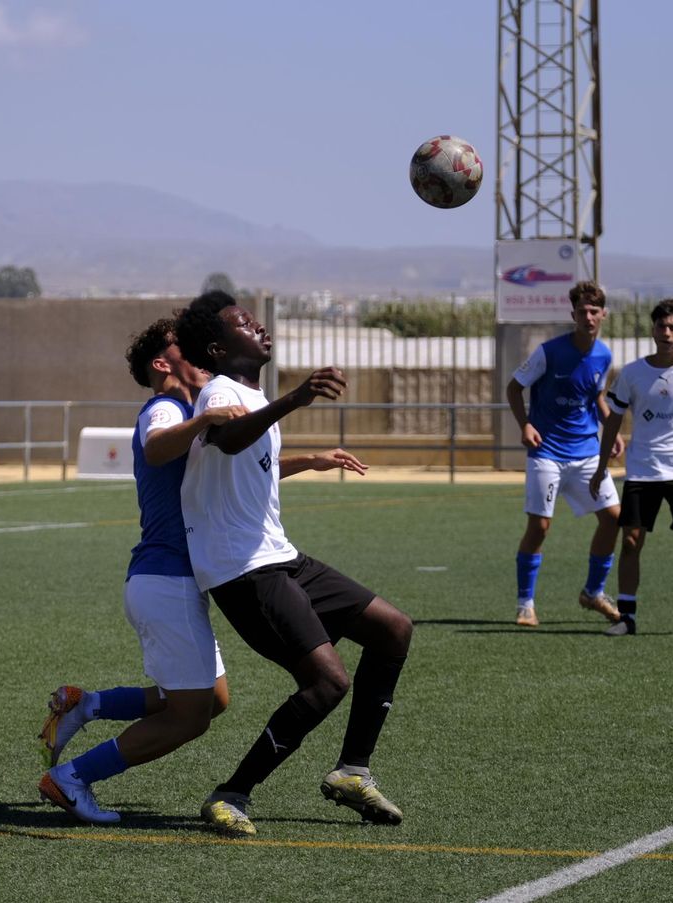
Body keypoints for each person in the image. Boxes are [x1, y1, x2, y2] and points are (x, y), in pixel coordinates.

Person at [173, 291, 413, 839]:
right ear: (218, 345)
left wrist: (311, 459)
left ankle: (352, 772)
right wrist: (296, 398)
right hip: (243, 570)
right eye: (242, 322)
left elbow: (253, 464)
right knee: (327, 682)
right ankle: (231, 794)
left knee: (393, 630)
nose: (257, 324)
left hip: (280, 556)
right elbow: (229, 439)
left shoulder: (251, 395)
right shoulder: (220, 392)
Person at [36, 318, 245, 825]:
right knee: (189, 716)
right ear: (161, 364)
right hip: (166, 581)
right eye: (185, 348)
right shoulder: (165, 408)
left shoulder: (185, 411)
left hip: (170, 581)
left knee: (212, 699)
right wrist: (204, 419)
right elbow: (156, 446)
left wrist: (310, 460)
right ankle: (72, 778)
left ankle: (88, 705)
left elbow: (228, 469)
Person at [590, 298, 673, 637]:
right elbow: (613, 420)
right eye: (661, 327)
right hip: (643, 468)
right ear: (652, 330)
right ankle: (627, 617)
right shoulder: (632, 374)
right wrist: (601, 464)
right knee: (632, 541)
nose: (666, 333)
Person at [505, 280, 625, 628]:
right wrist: (525, 425)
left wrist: (611, 430)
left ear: (603, 314)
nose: (588, 316)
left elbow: (596, 396)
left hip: (587, 452)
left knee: (614, 518)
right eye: (581, 311)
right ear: (572, 314)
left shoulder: (604, 354)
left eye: (594, 310)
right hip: (548, 452)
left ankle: (593, 592)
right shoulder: (549, 352)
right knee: (540, 526)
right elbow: (514, 388)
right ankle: (525, 603)